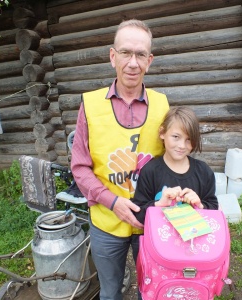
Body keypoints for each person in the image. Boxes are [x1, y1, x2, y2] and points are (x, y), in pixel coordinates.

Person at [71, 19, 169, 300]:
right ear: (112, 56)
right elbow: (80, 167)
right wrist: (112, 202)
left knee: (151, 289)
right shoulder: (90, 105)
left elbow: (173, 159)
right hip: (106, 221)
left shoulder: (162, 104)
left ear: (149, 61)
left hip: (150, 220)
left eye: (140, 55)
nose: (133, 62)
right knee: (110, 291)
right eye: (126, 52)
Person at [133, 106, 218, 225]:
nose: (182, 145)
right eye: (176, 137)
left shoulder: (204, 171)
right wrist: (159, 204)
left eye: (188, 139)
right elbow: (138, 213)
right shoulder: (150, 171)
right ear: (162, 132)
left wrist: (199, 205)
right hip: (159, 241)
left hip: (193, 241)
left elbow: (214, 209)